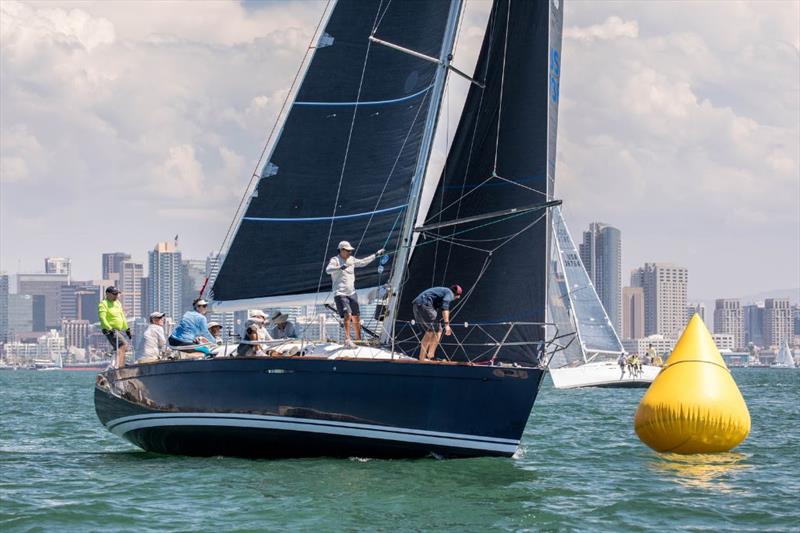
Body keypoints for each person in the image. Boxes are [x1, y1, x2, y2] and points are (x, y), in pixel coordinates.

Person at [325, 240, 385, 348]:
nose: (349, 252)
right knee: (347, 315)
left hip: (352, 293)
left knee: (356, 317)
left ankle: (358, 340)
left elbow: (363, 262)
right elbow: (328, 270)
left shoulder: (351, 259)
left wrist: (376, 255)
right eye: (347, 250)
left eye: (350, 251)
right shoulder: (335, 260)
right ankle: (347, 339)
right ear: (341, 250)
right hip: (340, 293)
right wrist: (339, 268)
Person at [411, 285, 462, 361]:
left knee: (433, 330)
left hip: (417, 305)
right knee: (434, 330)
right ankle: (426, 357)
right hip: (425, 304)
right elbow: (445, 307)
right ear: (457, 296)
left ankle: (426, 357)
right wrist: (447, 325)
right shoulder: (450, 293)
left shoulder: (443, 291)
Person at [98, 286, 130, 368]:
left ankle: (113, 364)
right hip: (110, 330)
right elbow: (102, 318)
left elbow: (122, 316)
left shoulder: (118, 303)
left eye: (117, 294)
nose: (116, 296)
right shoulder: (103, 304)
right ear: (107, 294)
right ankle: (119, 365)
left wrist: (127, 329)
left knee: (119, 347)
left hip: (118, 330)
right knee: (123, 344)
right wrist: (109, 328)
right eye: (114, 294)